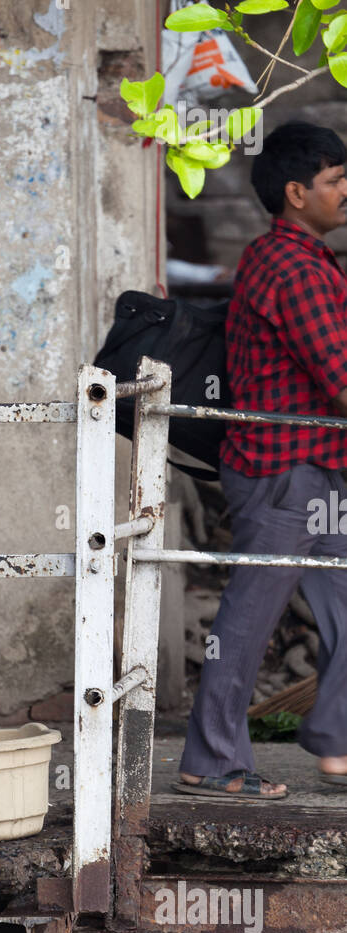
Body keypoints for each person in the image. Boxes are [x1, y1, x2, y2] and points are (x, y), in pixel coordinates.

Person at [179, 122, 347, 801]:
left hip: (316, 470)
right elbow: (340, 374)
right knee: (247, 623)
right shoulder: (294, 269)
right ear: (296, 192)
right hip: (282, 471)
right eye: (336, 181)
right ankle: (210, 762)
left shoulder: (298, 260)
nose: (346, 191)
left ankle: (336, 744)